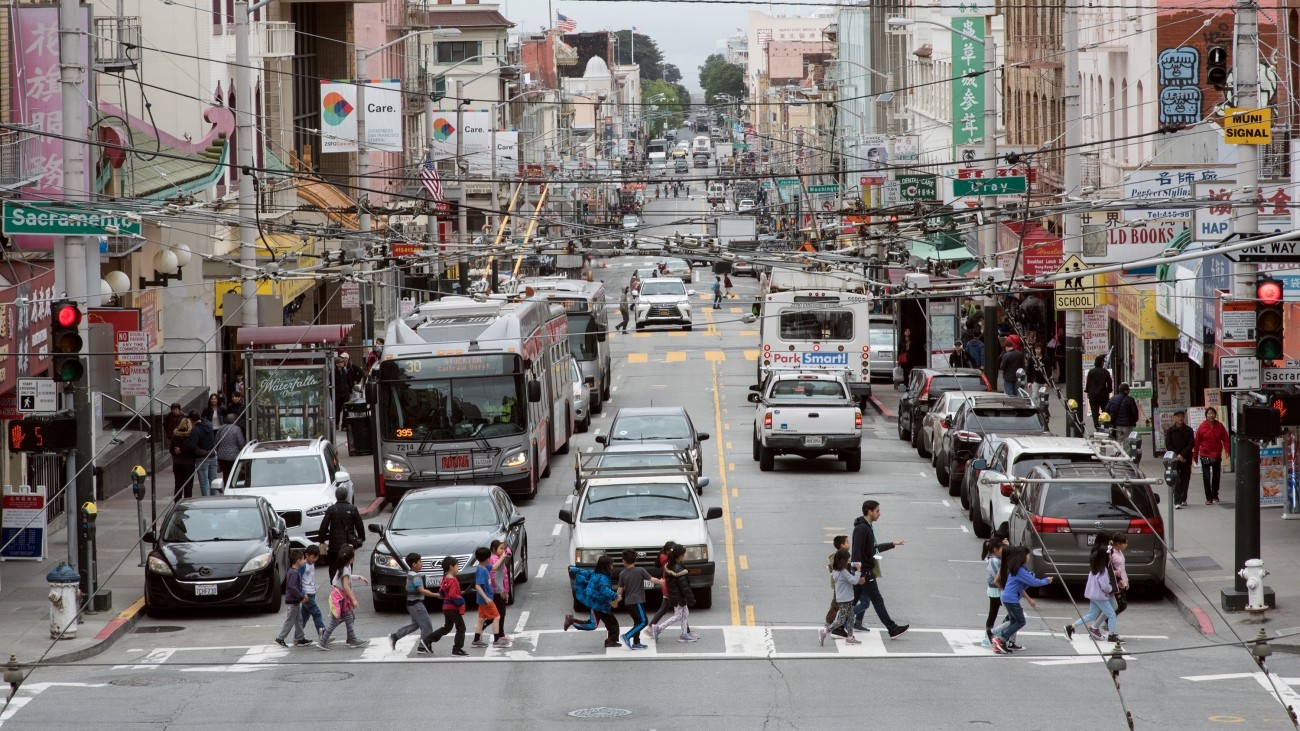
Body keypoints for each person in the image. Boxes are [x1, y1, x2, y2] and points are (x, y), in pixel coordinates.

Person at [849, 500, 910, 638]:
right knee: (877, 601)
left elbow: (872, 549)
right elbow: (856, 552)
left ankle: (837, 626)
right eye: (877, 511)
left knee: (851, 601)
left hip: (863, 572)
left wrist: (892, 544)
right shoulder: (861, 528)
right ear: (869, 512)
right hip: (865, 573)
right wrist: (858, 573)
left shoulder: (866, 527)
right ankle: (892, 629)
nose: (879, 513)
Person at [991, 545, 1053, 654]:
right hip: (1011, 599)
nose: (1029, 557)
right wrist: (1046, 581)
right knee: (1021, 621)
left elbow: (1024, 584)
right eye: (1027, 555)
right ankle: (1000, 638)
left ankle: (999, 641)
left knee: (1014, 621)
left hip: (1008, 597)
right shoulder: (1020, 570)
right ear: (1022, 556)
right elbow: (1034, 582)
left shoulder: (1016, 568)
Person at [316, 546, 369, 649]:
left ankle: (350, 639)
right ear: (350, 558)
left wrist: (359, 577)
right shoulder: (345, 569)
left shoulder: (344, 567)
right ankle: (324, 641)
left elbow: (347, 577)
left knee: (349, 617)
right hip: (339, 598)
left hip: (341, 597)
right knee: (336, 620)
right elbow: (345, 585)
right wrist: (353, 599)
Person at [1065, 544, 1120, 644]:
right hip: (1100, 597)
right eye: (1110, 555)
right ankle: (1112, 635)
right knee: (1111, 614)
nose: (1111, 557)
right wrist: (1111, 588)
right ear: (1106, 557)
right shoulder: (1104, 570)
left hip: (1092, 595)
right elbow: (1105, 587)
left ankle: (1071, 627)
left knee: (1091, 615)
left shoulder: (1094, 568)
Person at [565, 555, 622, 648]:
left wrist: (573, 569)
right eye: (611, 565)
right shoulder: (603, 578)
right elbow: (605, 590)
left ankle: (611, 640)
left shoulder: (595, 573)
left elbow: (583, 572)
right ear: (606, 566)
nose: (612, 567)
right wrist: (616, 596)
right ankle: (572, 621)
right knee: (592, 625)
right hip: (597, 605)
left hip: (603, 605)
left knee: (612, 623)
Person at [388, 552, 440, 655]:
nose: (422, 563)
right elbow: (422, 590)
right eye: (420, 561)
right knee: (427, 625)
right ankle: (422, 647)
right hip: (416, 604)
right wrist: (436, 595)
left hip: (411, 603)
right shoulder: (415, 576)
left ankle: (395, 636)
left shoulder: (410, 574)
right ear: (414, 564)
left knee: (416, 625)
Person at [648, 545, 697, 643]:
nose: (685, 556)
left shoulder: (671, 566)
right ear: (680, 556)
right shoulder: (678, 569)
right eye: (684, 554)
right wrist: (690, 598)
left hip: (676, 595)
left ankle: (684, 634)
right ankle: (658, 629)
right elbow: (684, 587)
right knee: (678, 615)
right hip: (679, 596)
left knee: (685, 613)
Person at [819, 549, 865, 646]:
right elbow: (854, 581)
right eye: (847, 559)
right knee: (841, 620)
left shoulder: (836, 570)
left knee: (851, 617)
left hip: (844, 598)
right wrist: (858, 571)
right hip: (845, 599)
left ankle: (850, 637)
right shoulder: (843, 572)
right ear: (843, 560)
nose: (848, 561)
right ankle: (824, 632)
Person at [318, 486, 364, 581]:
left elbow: (324, 526)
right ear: (347, 496)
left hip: (334, 545)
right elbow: (360, 525)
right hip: (348, 544)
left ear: (336, 496)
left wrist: (321, 540)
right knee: (347, 566)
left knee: (334, 567)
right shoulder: (353, 509)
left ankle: (335, 585)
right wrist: (361, 538)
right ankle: (346, 584)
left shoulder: (331, 509)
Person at [428, 555, 469, 656]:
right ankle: (457, 649)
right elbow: (452, 594)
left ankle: (428, 639)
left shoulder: (445, 578)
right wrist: (461, 601)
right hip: (452, 608)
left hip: (446, 607)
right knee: (461, 628)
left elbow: (442, 592)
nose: (458, 568)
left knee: (447, 627)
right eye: (457, 566)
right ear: (451, 567)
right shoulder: (453, 580)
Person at [615, 549, 656, 650]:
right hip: (637, 601)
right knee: (643, 621)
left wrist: (615, 600)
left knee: (637, 622)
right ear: (635, 560)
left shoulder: (622, 573)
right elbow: (652, 579)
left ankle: (636, 643)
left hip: (628, 602)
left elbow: (620, 589)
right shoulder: (640, 570)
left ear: (624, 561)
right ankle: (627, 636)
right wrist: (662, 582)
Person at [472, 547, 509, 649]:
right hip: (486, 599)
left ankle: (476, 640)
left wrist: (502, 557)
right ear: (487, 558)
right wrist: (486, 598)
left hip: (483, 600)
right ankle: (497, 640)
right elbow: (477, 586)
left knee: (481, 620)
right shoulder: (481, 571)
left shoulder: (484, 567)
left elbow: (494, 567)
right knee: (496, 617)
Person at [1194, 407, 1230, 504]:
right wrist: (1195, 455)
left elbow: (1225, 439)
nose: (1211, 415)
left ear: (1215, 415)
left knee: (1216, 476)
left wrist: (1227, 450)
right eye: (1209, 413)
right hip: (1205, 454)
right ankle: (1208, 498)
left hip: (1216, 455)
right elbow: (1196, 442)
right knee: (1206, 477)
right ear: (1206, 415)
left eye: (1213, 413)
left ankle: (1215, 495)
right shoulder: (1202, 427)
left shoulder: (1220, 426)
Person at [274, 549, 309, 648]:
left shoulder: (292, 571)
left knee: (299, 619)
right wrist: (301, 596)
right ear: (298, 560)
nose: (304, 561)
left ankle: (300, 638)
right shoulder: (294, 573)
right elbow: (293, 587)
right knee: (290, 620)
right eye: (303, 559)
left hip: (294, 600)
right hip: (293, 601)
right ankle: (280, 638)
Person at [1165, 410, 1195, 508]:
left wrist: (1183, 455)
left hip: (1186, 458)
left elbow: (1191, 444)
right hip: (1174, 459)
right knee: (1175, 478)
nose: (1180, 418)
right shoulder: (1170, 431)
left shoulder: (1189, 430)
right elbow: (1168, 445)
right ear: (1174, 418)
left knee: (1185, 479)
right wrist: (1177, 455)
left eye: (1182, 416)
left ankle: (1183, 498)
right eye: (1178, 416)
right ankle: (1177, 500)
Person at [186, 410, 219, 497]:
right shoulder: (209, 425)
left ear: (191, 420)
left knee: (204, 482)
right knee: (213, 481)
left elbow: (192, 446)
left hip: (202, 458)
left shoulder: (195, 430)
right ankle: (215, 498)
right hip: (212, 455)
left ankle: (206, 500)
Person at [982, 538, 1005, 647]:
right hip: (996, 589)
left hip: (996, 588)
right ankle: (989, 634)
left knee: (993, 613)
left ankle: (990, 633)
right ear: (995, 549)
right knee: (993, 613)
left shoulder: (993, 558)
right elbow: (996, 576)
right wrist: (1002, 588)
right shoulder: (993, 560)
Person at [826, 534, 851, 637]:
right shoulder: (839, 556)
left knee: (837, 604)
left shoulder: (844, 555)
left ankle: (831, 622)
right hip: (840, 585)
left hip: (842, 585)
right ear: (842, 545)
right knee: (836, 604)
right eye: (847, 542)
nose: (849, 544)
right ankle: (830, 622)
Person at [299, 544, 325, 641]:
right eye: (313, 557)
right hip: (307, 594)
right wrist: (302, 593)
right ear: (306, 555)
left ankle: (298, 637)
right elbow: (299, 579)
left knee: (304, 616)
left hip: (311, 592)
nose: (314, 560)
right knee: (317, 613)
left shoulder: (311, 564)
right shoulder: (303, 565)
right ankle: (323, 634)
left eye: (316, 558)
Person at [215, 413, 246, 483]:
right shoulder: (237, 429)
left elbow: (216, 441)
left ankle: (226, 487)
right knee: (234, 474)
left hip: (222, 456)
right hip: (233, 456)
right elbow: (241, 442)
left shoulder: (221, 428)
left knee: (225, 474)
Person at [1085, 356, 1114, 430]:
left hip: (1093, 395)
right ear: (1101, 363)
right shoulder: (1105, 372)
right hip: (1103, 395)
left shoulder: (1090, 372)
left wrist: (1088, 392)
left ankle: (1097, 426)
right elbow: (1109, 383)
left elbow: (1088, 383)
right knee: (1105, 410)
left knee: (1094, 412)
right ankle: (1105, 425)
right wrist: (1109, 390)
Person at [169, 418, 196, 499]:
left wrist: (176, 452)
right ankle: (187, 501)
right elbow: (192, 448)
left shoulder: (175, 436)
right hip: (189, 463)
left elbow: (171, 450)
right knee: (188, 485)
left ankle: (177, 501)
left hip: (177, 463)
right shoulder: (191, 436)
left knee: (178, 484)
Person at [333, 355, 354, 429]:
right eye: (341, 362)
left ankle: (344, 425)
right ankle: (336, 424)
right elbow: (331, 384)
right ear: (337, 364)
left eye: (342, 362)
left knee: (345, 410)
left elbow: (349, 381)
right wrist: (332, 396)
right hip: (337, 394)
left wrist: (350, 391)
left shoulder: (345, 371)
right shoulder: (333, 373)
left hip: (345, 393)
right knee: (337, 410)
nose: (342, 363)